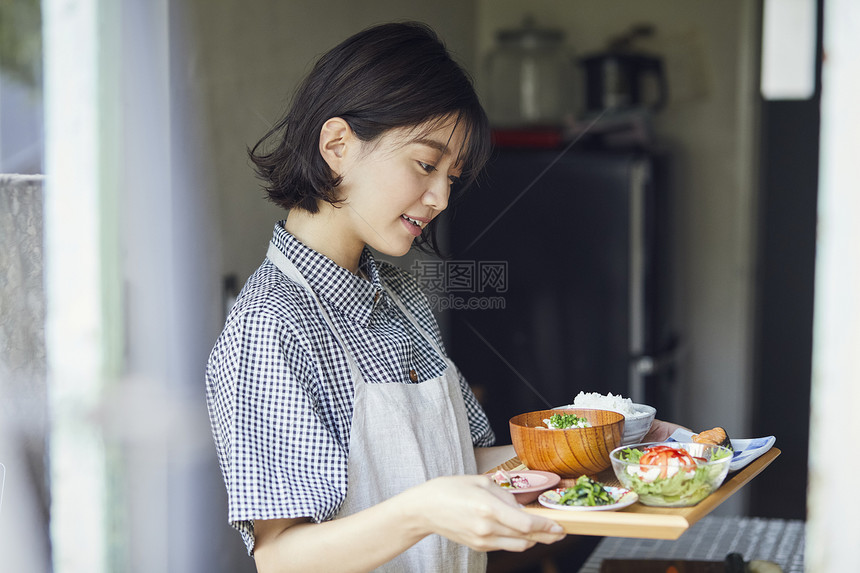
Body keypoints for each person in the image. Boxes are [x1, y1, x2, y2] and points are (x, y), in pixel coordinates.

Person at [206, 21, 680, 573]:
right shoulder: (270, 325)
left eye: (452, 177)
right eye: (426, 165)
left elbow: (467, 461)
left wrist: (603, 440)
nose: (440, 198)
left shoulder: (401, 297)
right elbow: (282, 556)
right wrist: (423, 512)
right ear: (337, 145)